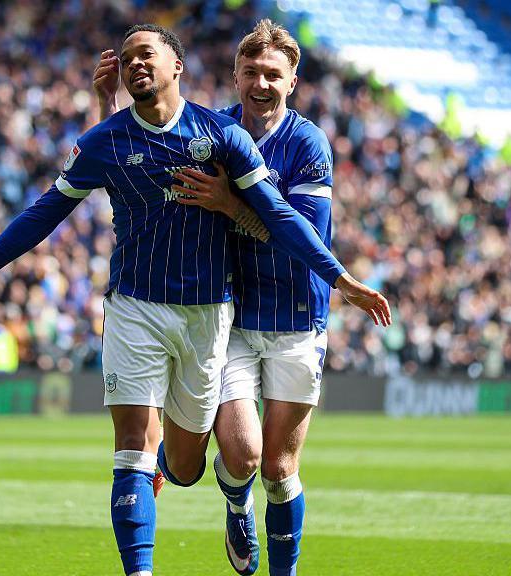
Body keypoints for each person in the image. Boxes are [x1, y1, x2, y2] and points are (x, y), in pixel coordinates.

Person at [0, 24, 385, 576]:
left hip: (239, 315)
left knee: (205, 468)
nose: (138, 63)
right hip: (139, 307)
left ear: (178, 66)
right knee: (145, 448)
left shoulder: (229, 139)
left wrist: (340, 279)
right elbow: (47, 210)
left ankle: (230, 502)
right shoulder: (114, 138)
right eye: (130, 56)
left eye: (149, 55)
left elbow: (286, 219)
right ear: (233, 76)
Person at [92, 19, 392, 575]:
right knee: (243, 454)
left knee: (279, 468)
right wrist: (107, 102)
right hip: (229, 317)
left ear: (293, 81)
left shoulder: (307, 145)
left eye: (273, 74)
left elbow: (294, 229)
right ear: (234, 74)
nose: (261, 83)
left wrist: (232, 207)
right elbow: (126, 159)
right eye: (250, 71)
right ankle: (235, 502)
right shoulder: (214, 133)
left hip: (298, 317)